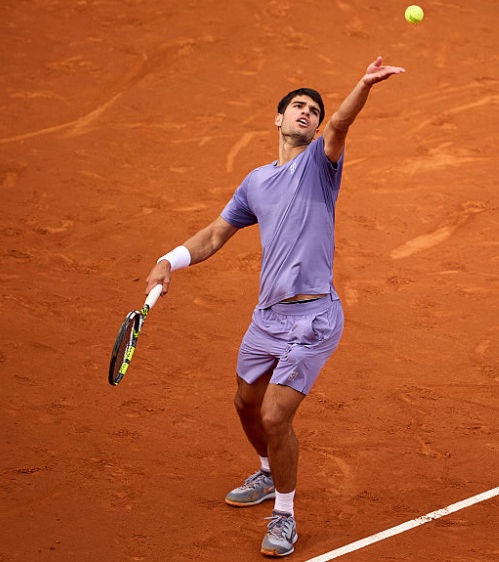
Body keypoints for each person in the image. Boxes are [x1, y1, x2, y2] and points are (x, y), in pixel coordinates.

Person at [144, 56, 405, 557]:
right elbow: (218, 232)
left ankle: (284, 516)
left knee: (273, 416)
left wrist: (364, 84)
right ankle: (268, 472)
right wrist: (168, 259)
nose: (307, 113)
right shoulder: (255, 181)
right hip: (267, 317)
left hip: (314, 319)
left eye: (314, 109)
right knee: (244, 404)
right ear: (279, 119)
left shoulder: (321, 164)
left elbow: (342, 123)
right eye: (298, 107)